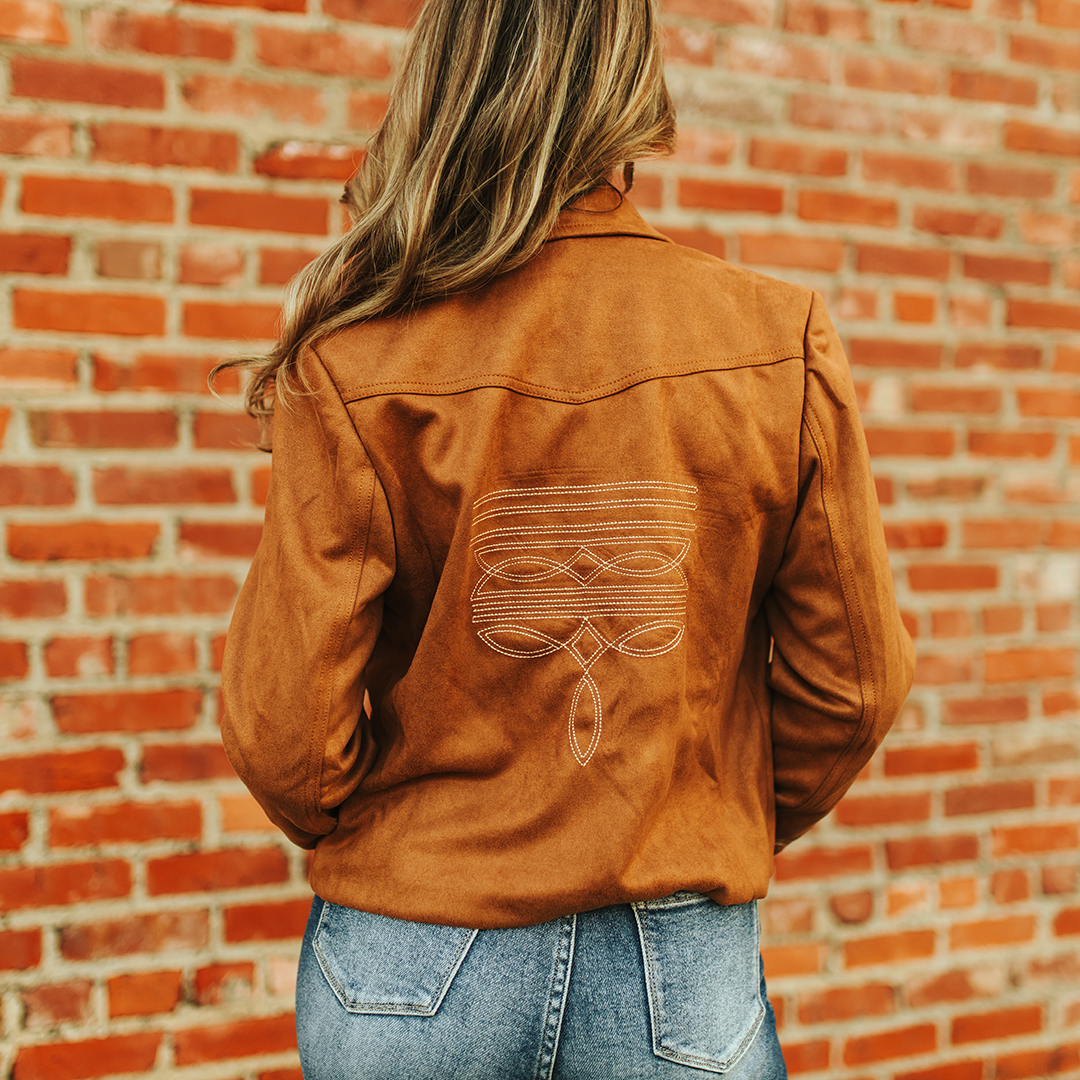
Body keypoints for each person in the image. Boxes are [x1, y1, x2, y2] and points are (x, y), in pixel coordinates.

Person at [218, 0, 916, 1076]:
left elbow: (287, 738)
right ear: (628, 85)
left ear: (446, 82)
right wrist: (697, 813)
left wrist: (419, 834)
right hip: (676, 973)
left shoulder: (357, 357)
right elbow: (854, 686)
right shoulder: (777, 341)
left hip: (414, 960)